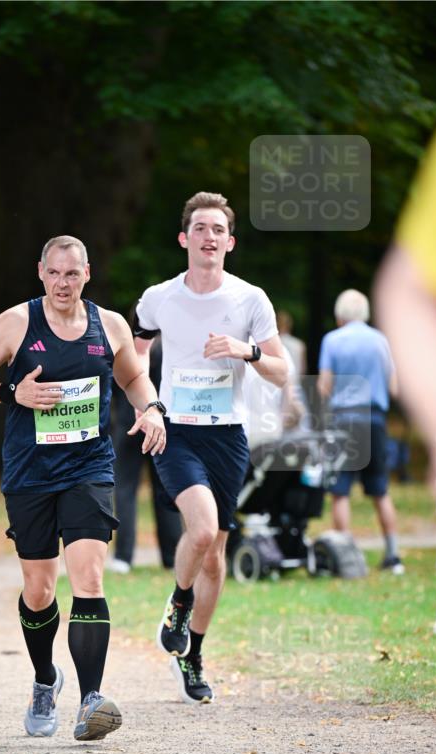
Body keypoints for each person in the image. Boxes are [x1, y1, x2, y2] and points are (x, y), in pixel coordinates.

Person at [0, 235, 166, 740]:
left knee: (88, 580)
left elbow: (135, 379)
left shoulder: (109, 325)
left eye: (72, 274)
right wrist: (12, 391)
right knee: (39, 588)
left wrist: (152, 407)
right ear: (40, 273)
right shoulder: (15, 324)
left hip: (89, 467)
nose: (63, 283)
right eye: (55, 273)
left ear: (86, 274)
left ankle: (91, 699)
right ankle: (46, 679)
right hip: (30, 472)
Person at [134, 191, 287, 704]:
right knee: (199, 530)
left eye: (218, 229)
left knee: (216, 558)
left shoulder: (250, 300)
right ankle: (178, 604)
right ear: (184, 238)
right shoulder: (159, 298)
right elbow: (133, 355)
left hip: (228, 436)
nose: (208, 237)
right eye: (200, 228)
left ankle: (193, 654)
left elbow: (283, 371)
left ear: (230, 242)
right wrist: (148, 404)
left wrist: (247, 350)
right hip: (175, 430)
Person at [374, 124, 436, 631]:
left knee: (349, 495)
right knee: (379, 494)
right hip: (374, 422)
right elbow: (408, 290)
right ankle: (395, 553)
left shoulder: (347, 341)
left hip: (362, 422)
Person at [317, 289, 404, 574]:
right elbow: (394, 388)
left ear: (340, 315)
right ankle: (393, 555)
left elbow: (324, 387)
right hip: (374, 420)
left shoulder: (332, 340)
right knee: (380, 488)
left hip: (343, 421)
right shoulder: (381, 341)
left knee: (340, 491)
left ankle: (346, 558)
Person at [109, 336, 182, 572]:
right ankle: (171, 556)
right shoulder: (170, 350)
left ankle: (123, 556)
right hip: (162, 425)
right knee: (165, 490)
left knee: (125, 489)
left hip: (127, 425)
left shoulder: (123, 349)